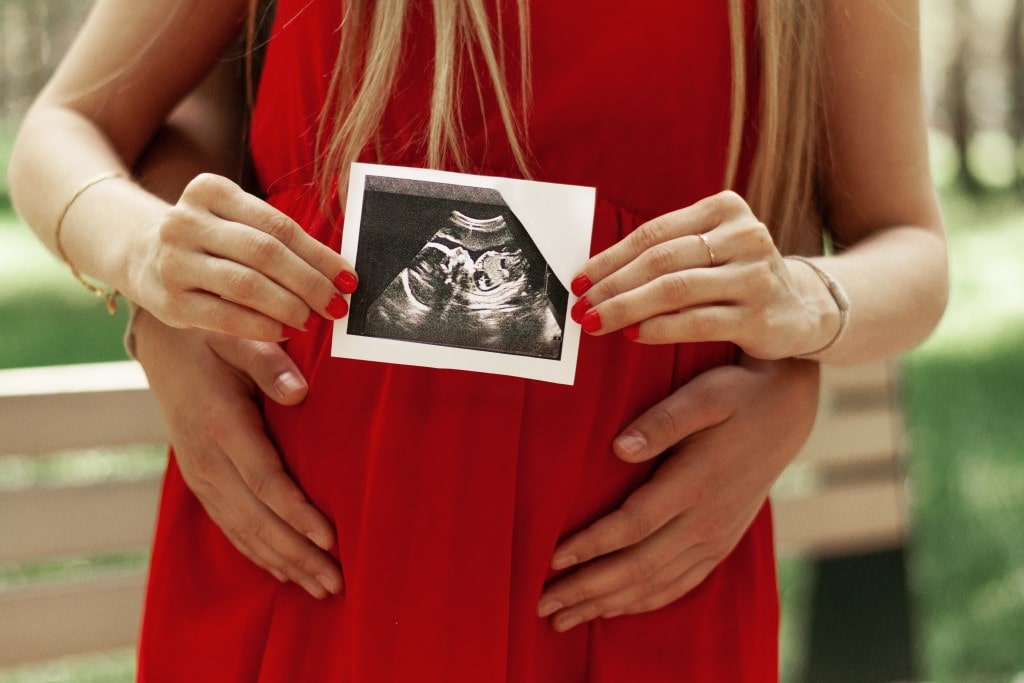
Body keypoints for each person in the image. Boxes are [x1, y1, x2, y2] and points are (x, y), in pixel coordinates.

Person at [7, 1, 947, 681]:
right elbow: (70, 127)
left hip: (628, 589)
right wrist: (148, 269)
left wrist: (804, 316)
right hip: (302, 565)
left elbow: (908, 244)